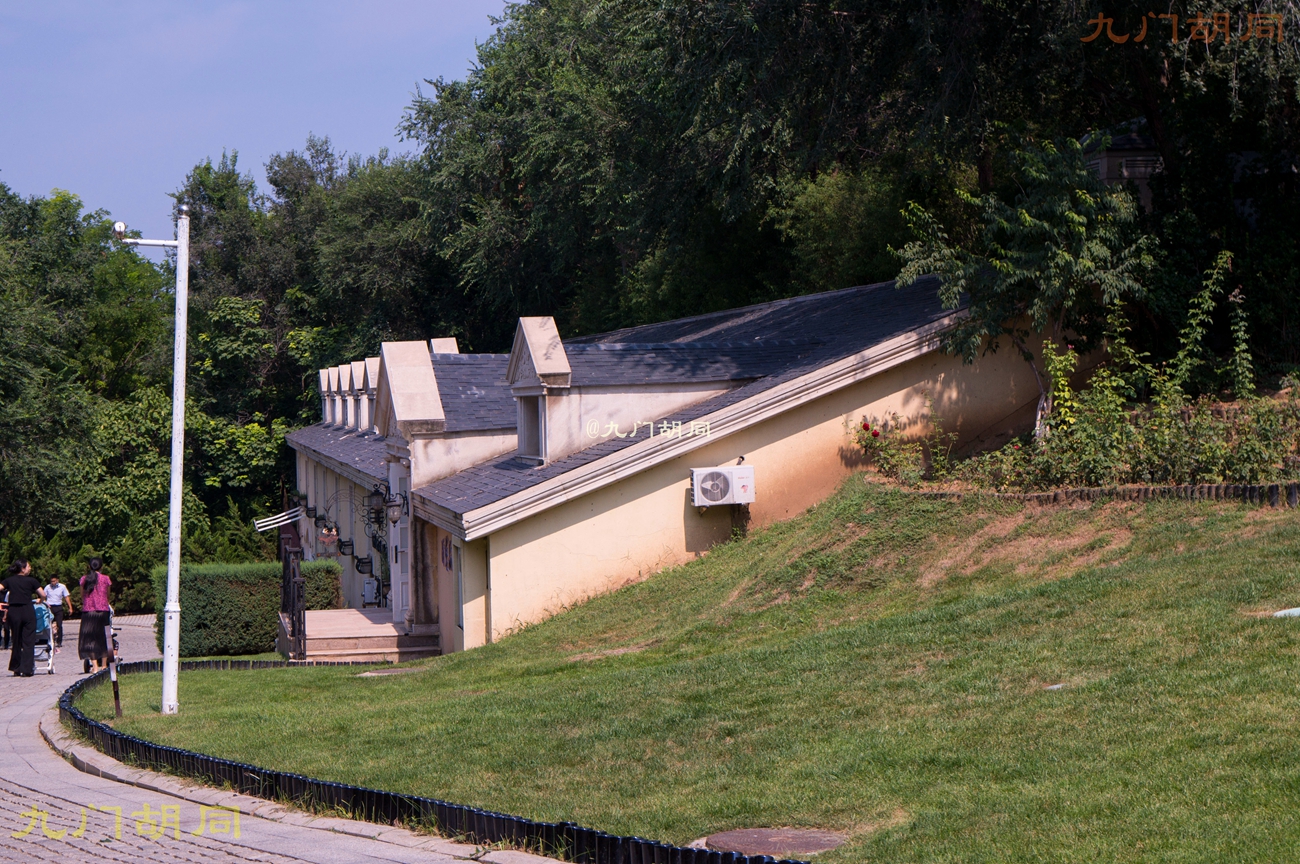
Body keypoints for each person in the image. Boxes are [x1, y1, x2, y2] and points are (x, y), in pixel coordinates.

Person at [0, 559, 45, 677]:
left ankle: (16, 667)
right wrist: (41, 600)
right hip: (27, 610)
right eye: (28, 566)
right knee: (28, 641)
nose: (30, 568)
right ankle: (27, 669)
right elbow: (43, 594)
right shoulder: (32, 581)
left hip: (14, 611)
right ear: (23, 568)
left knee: (16, 640)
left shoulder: (9, 580)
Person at [78, 558, 113, 673]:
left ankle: (95, 666)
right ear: (101, 567)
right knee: (104, 637)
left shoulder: (84, 579)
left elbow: (82, 594)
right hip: (102, 610)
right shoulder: (105, 578)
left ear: (89, 567)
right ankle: (103, 665)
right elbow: (108, 594)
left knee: (89, 639)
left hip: (88, 612)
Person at [44, 575, 70, 650]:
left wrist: (70, 607)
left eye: (54, 581)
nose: (53, 583)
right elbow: (43, 596)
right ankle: (49, 639)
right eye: (51, 581)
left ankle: (59, 641)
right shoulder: (47, 587)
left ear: (57, 580)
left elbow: (66, 597)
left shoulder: (62, 587)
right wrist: (45, 603)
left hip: (58, 607)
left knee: (59, 624)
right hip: (50, 607)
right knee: (48, 624)